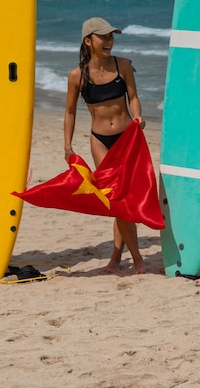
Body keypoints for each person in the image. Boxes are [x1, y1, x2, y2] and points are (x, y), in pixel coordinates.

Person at [63, 17, 147, 275]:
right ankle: (137, 259)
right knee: (117, 201)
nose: (109, 41)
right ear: (88, 41)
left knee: (123, 202)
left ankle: (115, 258)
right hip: (100, 141)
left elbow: (133, 97)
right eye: (103, 37)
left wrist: (137, 116)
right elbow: (69, 113)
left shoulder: (122, 66)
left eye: (111, 36)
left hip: (127, 139)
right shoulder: (78, 75)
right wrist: (68, 147)